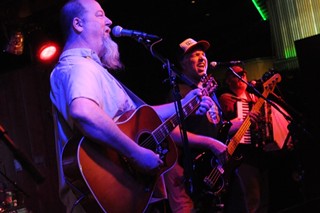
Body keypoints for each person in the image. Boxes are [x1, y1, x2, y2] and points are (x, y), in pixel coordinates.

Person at [49, 1, 229, 212]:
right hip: (108, 192)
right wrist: (135, 153)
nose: (108, 21)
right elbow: (84, 112)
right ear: (78, 24)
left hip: (121, 192)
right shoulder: (79, 66)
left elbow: (139, 117)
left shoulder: (89, 69)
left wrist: (183, 105)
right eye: (99, 15)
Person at [164, 38, 249, 213]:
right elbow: (171, 133)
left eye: (203, 54)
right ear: (183, 63)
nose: (202, 58)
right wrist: (210, 143)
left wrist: (240, 124)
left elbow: (217, 129)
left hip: (220, 167)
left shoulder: (209, 91)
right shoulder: (179, 92)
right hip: (198, 172)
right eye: (195, 55)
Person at [218, 65, 292, 213]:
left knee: (265, 200)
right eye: (236, 74)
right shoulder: (227, 98)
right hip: (244, 156)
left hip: (262, 153)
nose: (242, 75)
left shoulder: (256, 97)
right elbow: (227, 127)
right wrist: (246, 117)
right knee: (252, 200)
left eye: (243, 73)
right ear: (228, 81)